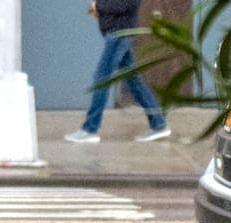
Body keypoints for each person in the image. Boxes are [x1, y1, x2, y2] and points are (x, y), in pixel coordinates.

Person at [65, 0, 172, 143]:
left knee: (102, 79)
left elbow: (125, 4)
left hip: (119, 33)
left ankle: (90, 129)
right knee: (134, 81)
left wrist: (99, 6)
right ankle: (159, 124)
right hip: (118, 32)